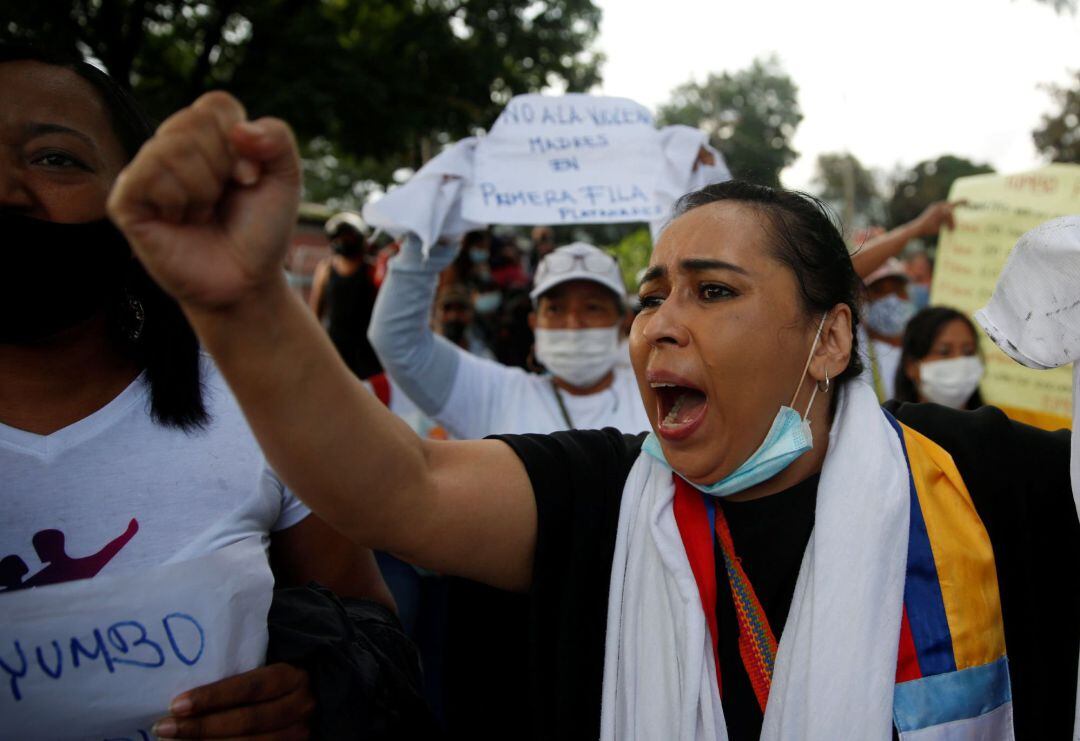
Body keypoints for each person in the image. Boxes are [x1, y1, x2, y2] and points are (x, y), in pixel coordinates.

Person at [109, 92, 1078, 740]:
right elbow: (400, 489)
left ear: (828, 341)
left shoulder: (979, 480)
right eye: (652, 294)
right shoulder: (601, 496)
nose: (659, 323)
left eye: (711, 292)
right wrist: (242, 306)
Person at [0, 47, 430, 739]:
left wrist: (316, 689)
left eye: (54, 159)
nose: (8, 189)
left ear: (138, 204)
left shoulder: (255, 406)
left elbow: (373, 625)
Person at [368, 237, 649, 439]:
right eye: (555, 309)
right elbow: (398, 342)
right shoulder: (498, 395)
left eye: (593, 308)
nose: (573, 324)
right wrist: (428, 244)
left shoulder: (655, 398)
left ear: (623, 321)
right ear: (534, 322)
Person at [308, 211, 382, 378]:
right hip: (336, 347)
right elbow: (315, 310)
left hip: (368, 350)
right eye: (339, 238)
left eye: (348, 238)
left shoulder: (373, 270)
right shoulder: (326, 269)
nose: (343, 242)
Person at [894, 307, 985, 410]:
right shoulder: (890, 425)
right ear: (911, 366)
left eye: (968, 352)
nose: (959, 360)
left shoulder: (994, 424)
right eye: (944, 352)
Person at [860, 257, 915, 401]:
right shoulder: (859, 355)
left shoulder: (921, 351)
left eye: (898, 290)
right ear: (862, 300)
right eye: (880, 291)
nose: (892, 299)